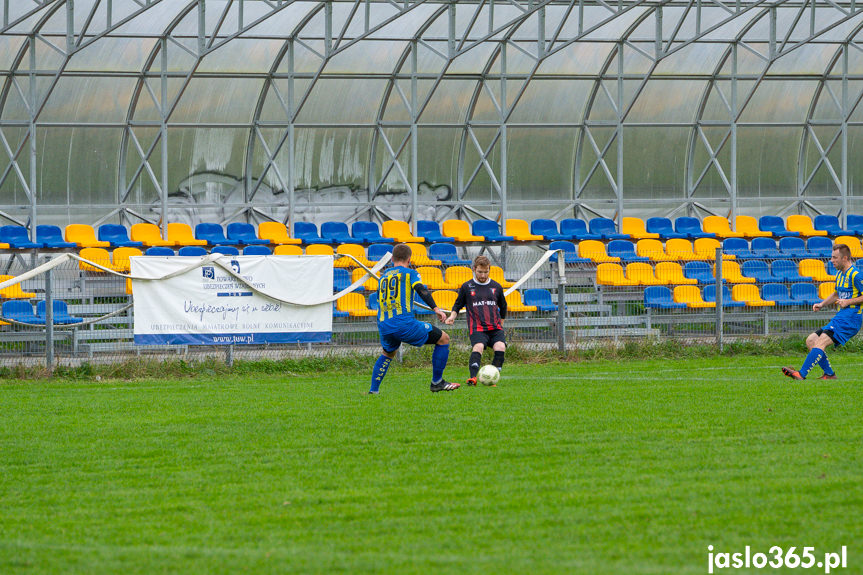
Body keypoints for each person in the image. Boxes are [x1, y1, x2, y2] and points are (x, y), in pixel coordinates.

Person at [369, 243, 459, 394]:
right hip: (403, 323)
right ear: (409, 259)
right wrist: (436, 308)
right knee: (444, 338)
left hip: (384, 325)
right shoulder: (410, 273)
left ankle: (373, 390)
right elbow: (421, 290)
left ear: (392, 259)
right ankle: (437, 382)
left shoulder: (383, 277)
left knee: (388, 353)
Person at [782, 243, 863, 380]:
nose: (831, 260)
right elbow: (837, 294)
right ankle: (829, 374)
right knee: (811, 340)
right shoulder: (840, 274)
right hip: (842, 316)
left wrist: (848, 302)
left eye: (835, 257)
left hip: (851, 318)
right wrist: (822, 304)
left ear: (845, 258)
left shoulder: (856, 275)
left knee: (821, 342)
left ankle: (801, 374)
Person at [445, 255, 507, 386]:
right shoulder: (467, 287)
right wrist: (452, 316)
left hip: (495, 328)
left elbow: (504, 306)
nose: (483, 275)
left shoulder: (496, 286)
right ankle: (473, 378)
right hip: (477, 328)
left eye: (486, 272)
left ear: (489, 270)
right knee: (478, 347)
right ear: (474, 269)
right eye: (480, 272)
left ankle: (493, 377)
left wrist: (501, 323)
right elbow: (457, 305)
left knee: (500, 347)